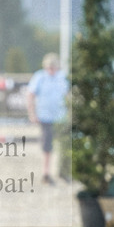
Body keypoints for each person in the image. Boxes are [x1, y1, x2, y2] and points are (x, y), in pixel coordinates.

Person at [25, 52, 69, 185]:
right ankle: (46, 173)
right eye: (49, 67)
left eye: (53, 67)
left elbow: (68, 96)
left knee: (64, 145)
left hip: (61, 118)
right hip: (45, 117)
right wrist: (32, 113)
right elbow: (30, 95)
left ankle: (63, 171)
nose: (51, 70)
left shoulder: (62, 78)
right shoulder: (39, 77)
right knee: (47, 146)